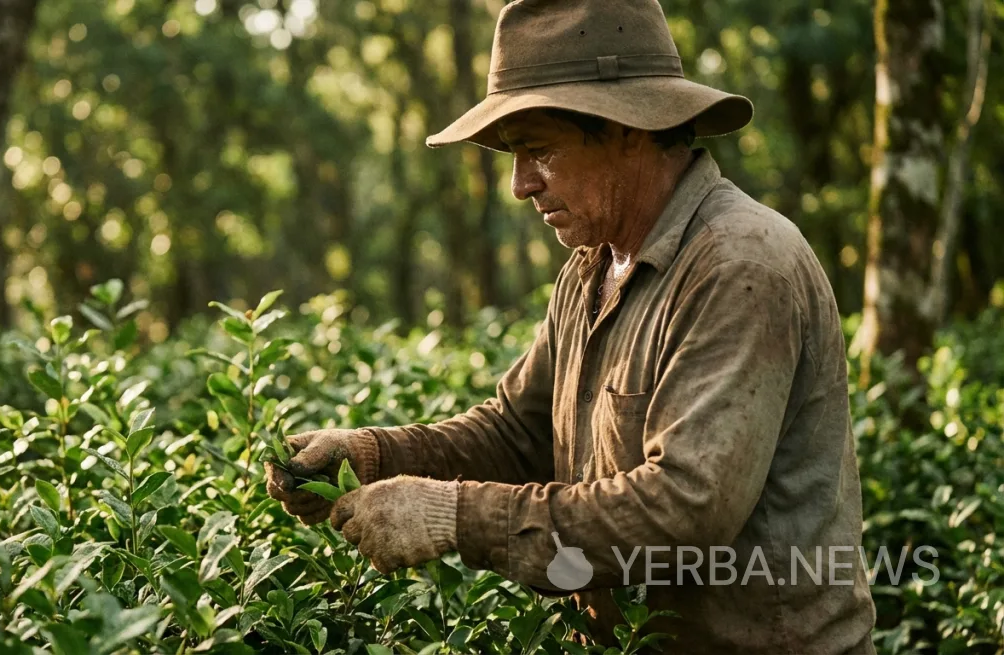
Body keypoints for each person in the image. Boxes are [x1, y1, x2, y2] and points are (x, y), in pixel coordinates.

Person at [265, 0, 876, 652]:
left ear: (629, 129)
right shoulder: (590, 272)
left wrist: (453, 516)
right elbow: (516, 431)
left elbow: (685, 510)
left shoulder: (741, 266)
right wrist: (371, 456)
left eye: (540, 150)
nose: (520, 185)